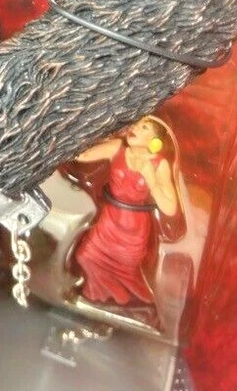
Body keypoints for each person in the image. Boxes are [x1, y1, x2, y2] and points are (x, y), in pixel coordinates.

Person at [67, 116, 183, 326]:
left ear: (156, 140)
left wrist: (150, 178)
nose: (136, 127)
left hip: (134, 229)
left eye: (144, 127)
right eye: (136, 123)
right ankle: (103, 300)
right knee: (85, 256)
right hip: (109, 220)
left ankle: (127, 303)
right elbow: (82, 155)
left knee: (125, 271)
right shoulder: (117, 148)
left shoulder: (159, 164)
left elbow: (170, 207)